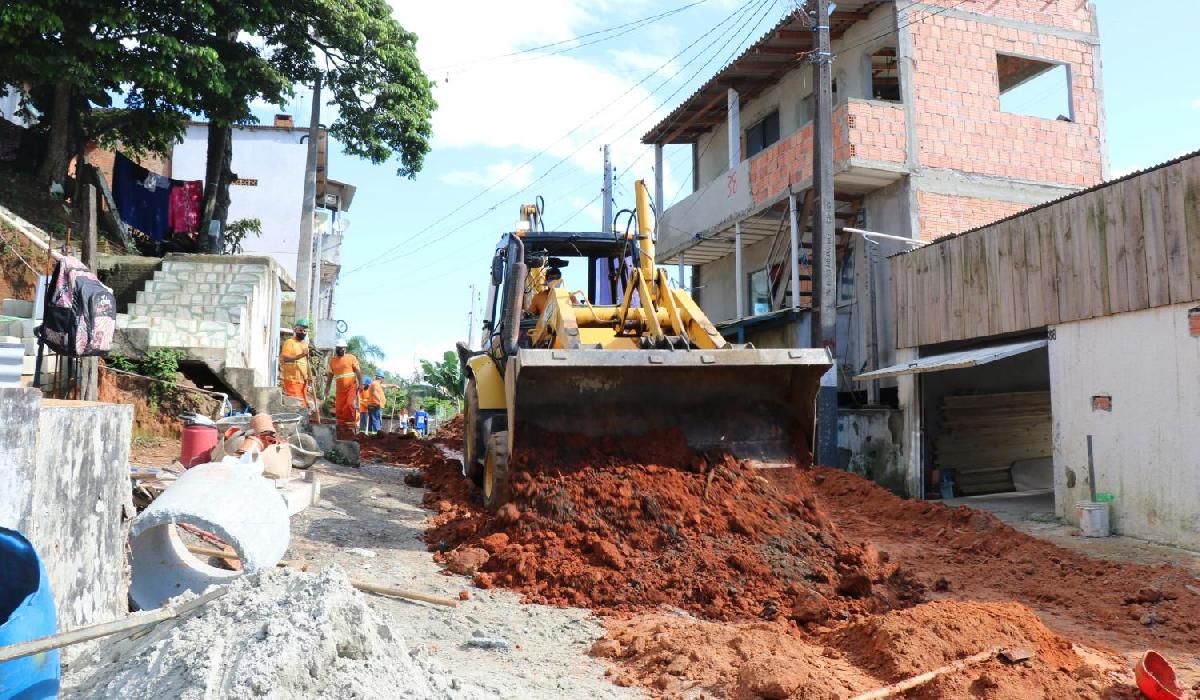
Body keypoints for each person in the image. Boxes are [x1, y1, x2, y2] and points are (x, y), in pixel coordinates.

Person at [324, 339, 363, 433]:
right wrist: (328, 387)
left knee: (349, 405)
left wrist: (361, 383)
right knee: (339, 409)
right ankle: (340, 429)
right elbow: (330, 375)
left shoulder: (351, 358)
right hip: (340, 390)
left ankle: (349, 427)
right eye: (341, 348)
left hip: (351, 387)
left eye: (344, 348)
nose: (343, 350)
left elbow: (358, 371)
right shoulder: (333, 361)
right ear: (336, 348)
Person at [279, 320, 311, 407]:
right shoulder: (289, 342)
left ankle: (302, 420)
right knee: (295, 404)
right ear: (295, 330)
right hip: (291, 379)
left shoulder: (305, 345)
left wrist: (309, 376)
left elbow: (305, 362)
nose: (303, 332)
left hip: (302, 381)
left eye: (305, 331)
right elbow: (285, 358)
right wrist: (300, 355)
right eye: (300, 330)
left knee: (303, 404)